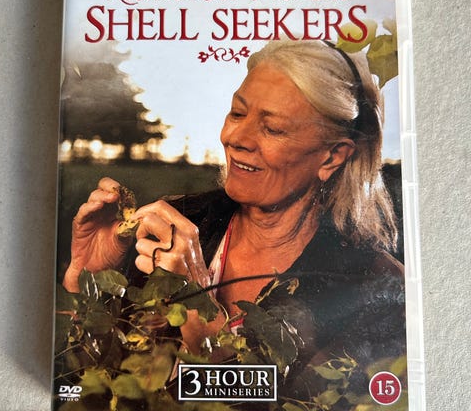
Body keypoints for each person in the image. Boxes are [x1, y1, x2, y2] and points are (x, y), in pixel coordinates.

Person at [63, 40, 406, 403]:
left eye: (272, 128)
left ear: (332, 156)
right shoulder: (173, 228)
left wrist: (200, 316)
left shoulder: (378, 289)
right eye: (237, 113)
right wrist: (91, 283)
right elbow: (96, 387)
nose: (235, 138)